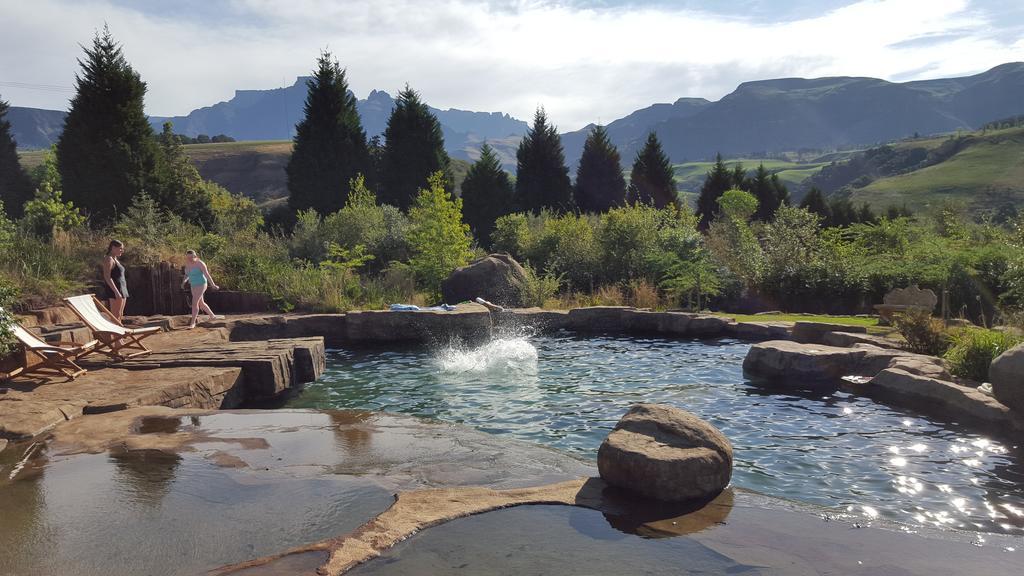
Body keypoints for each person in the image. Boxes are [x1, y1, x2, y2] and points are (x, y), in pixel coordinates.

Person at [181, 250, 224, 329]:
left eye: (191, 257)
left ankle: (193, 323)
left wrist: (213, 284)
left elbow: (207, 275)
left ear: (195, 256)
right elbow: (187, 274)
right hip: (193, 285)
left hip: (201, 284)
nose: (190, 259)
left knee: (195, 303)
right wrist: (184, 282)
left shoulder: (200, 263)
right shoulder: (187, 264)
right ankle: (212, 316)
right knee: (201, 303)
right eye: (188, 257)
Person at [102, 239, 128, 321]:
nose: (122, 251)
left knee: (120, 315)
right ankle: (114, 333)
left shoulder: (115, 259)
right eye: (120, 248)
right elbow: (107, 277)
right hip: (115, 290)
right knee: (115, 316)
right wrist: (116, 292)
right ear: (113, 247)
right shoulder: (109, 259)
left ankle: (119, 333)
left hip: (122, 289)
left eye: (122, 249)